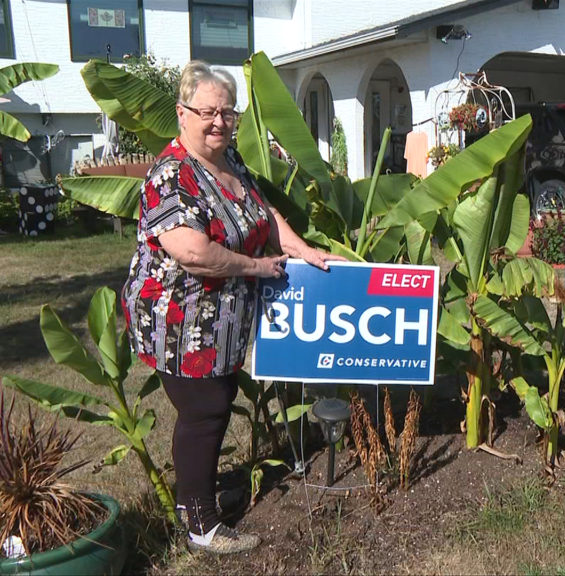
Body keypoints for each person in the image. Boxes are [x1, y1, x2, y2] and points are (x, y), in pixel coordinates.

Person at [122, 61, 343, 554]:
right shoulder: (171, 174)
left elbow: (262, 210)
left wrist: (303, 249)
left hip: (219, 318)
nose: (219, 121)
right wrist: (257, 267)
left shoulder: (227, 159)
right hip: (179, 318)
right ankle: (201, 525)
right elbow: (193, 254)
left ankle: (194, 498)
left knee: (213, 404)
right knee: (206, 409)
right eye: (208, 112)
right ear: (182, 113)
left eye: (227, 112)